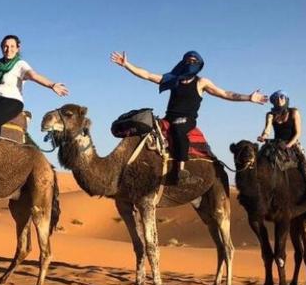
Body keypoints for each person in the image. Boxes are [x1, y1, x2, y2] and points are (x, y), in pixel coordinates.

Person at [110, 49, 267, 186]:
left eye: (194, 61)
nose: (190, 63)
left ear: (199, 64)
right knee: (143, 125)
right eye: (188, 60)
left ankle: (181, 172)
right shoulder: (173, 79)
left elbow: (225, 93)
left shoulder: (201, 82)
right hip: (168, 117)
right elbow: (147, 75)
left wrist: (248, 97)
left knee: (178, 130)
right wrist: (127, 65)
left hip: (187, 119)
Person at [258, 90, 306, 202]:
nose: (279, 99)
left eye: (282, 96)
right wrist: (263, 136)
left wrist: (289, 145)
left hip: (292, 142)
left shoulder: (294, 112)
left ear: (286, 99)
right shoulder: (270, 115)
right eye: (276, 98)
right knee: (260, 159)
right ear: (273, 101)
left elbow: (298, 133)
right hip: (276, 143)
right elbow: (267, 129)